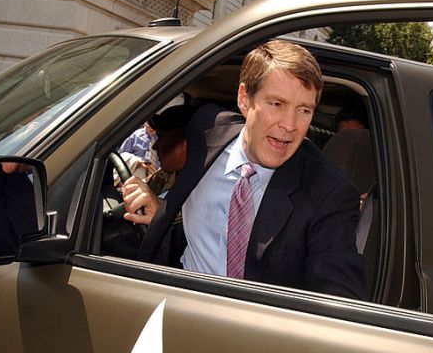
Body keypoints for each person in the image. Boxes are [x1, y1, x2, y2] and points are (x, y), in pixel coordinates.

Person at [125, 40, 364, 300]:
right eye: (277, 104)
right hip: (174, 304)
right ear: (244, 99)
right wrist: (162, 210)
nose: (290, 125)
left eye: (304, 110)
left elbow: (340, 301)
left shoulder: (329, 192)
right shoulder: (206, 130)